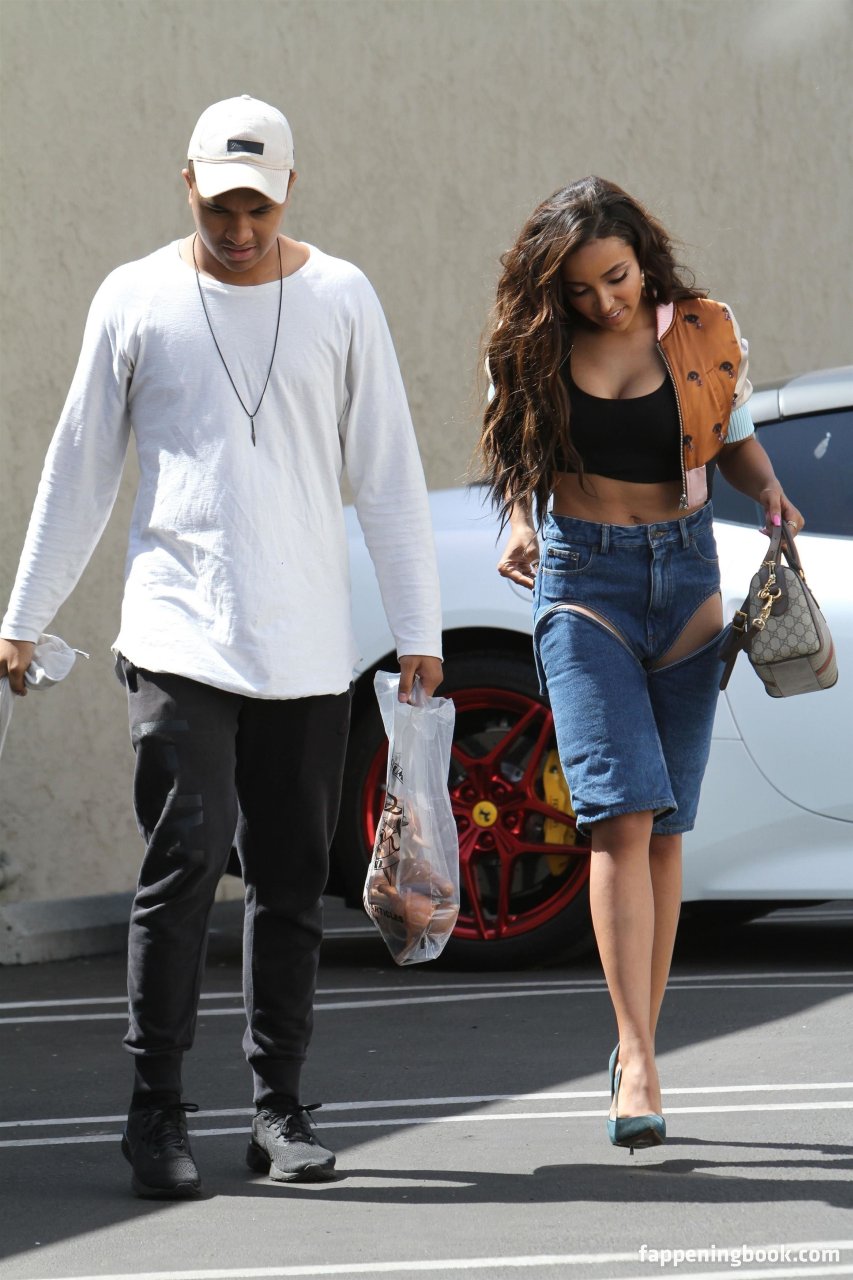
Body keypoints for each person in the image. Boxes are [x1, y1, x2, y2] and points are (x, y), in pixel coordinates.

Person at [0, 95, 443, 1197]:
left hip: (308, 644)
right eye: (218, 205)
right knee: (185, 861)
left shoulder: (341, 296)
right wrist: (24, 614)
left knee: (290, 880)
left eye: (258, 207)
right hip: (176, 630)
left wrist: (418, 631)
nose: (238, 228)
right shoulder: (134, 296)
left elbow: (388, 471)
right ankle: (154, 1112)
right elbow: (80, 465)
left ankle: (278, 1109)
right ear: (187, 183)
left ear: (288, 191)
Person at [478, 176, 802, 1154]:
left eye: (614, 278)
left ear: (642, 258)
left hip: (686, 574)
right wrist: (517, 525)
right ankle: (636, 1055)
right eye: (580, 289)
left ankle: (638, 1048)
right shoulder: (531, 346)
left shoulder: (702, 328)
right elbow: (515, 460)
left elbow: (733, 443)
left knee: (663, 827)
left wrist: (770, 491)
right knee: (617, 814)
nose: (602, 302)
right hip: (583, 580)